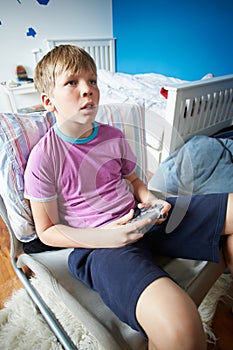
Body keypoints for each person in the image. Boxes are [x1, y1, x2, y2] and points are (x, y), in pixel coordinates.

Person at [24, 44, 233, 350]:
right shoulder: (44, 158)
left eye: (92, 80)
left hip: (142, 217)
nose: (88, 90)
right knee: (182, 327)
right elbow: (47, 231)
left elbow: (133, 179)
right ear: (48, 101)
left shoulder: (113, 136)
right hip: (99, 246)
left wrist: (150, 199)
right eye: (72, 82)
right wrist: (108, 237)